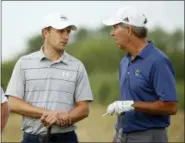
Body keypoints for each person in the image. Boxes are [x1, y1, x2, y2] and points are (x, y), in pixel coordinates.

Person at [5, 13, 93, 143]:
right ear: (46, 33)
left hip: (66, 138)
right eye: (60, 31)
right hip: (32, 139)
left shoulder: (77, 66)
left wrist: (67, 117)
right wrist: (49, 114)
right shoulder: (24, 63)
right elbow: (13, 103)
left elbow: (84, 109)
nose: (65, 36)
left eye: (68, 32)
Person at [102, 6, 178, 143]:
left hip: (149, 136)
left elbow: (171, 106)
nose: (111, 33)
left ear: (129, 30)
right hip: (122, 134)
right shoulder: (124, 62)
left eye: (115, 27)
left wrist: (131, 105)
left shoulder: (158, 61)